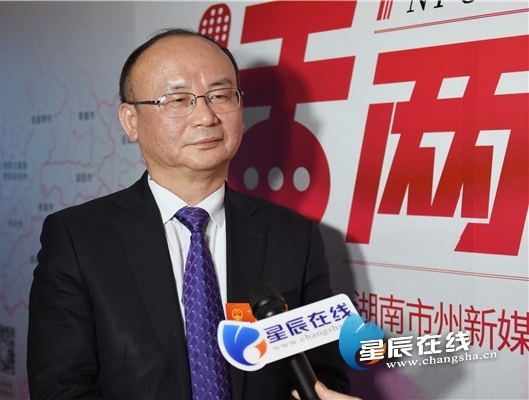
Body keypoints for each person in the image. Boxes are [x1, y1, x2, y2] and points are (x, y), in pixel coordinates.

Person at [27, 28, 353, 400]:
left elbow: (325, 380)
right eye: (178, 99)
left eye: (220, 95)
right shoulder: (78, 238)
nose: (206, 116)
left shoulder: (294, 236)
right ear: (131, 121)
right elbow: (60, 388)